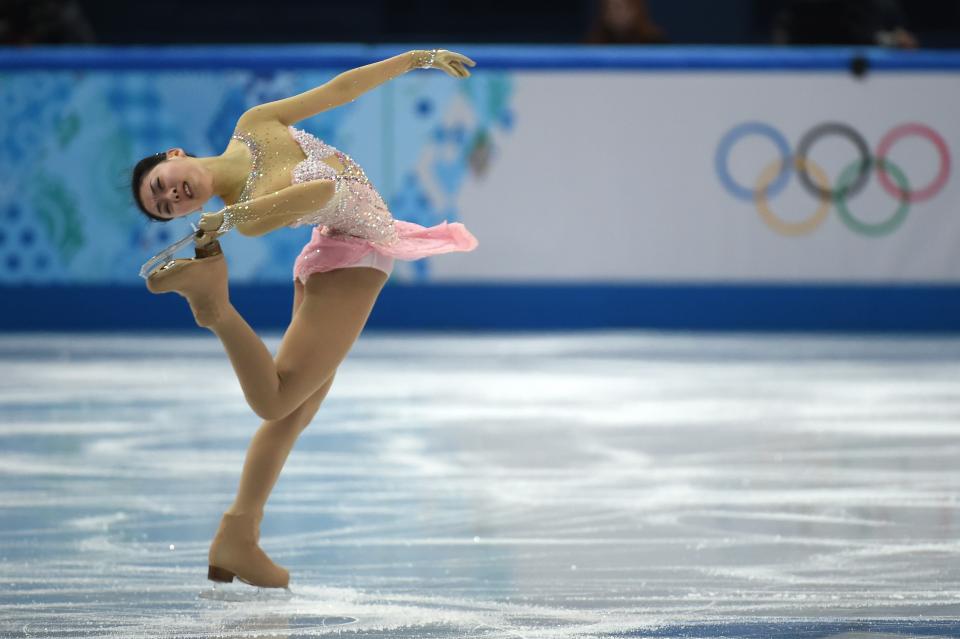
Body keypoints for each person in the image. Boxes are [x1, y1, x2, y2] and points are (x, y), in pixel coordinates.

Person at [131, 49, 478, 589]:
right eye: (166, 207)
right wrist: (236, 216)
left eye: (162, 184)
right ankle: (215, 307)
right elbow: (321, 190)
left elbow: (338, 91)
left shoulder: (253, 126)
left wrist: (415, 59)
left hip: (338, 251)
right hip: (352, 260)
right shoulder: (246, 219)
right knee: (275, 399)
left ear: (173, 154)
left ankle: (238, 536)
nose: (173, 196)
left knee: (291, 411)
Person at [772, 0, 919, 48]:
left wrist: (895, 40)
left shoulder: (884, 6)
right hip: (810, 74)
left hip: (866, 83)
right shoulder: (804, 8)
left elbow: (900, 36)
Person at [583, 0, 667, 45]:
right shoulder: (595, 45)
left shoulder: (654, 43)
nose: (614, 13)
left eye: (619, 7)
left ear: (636, 9)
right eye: (609, 8)